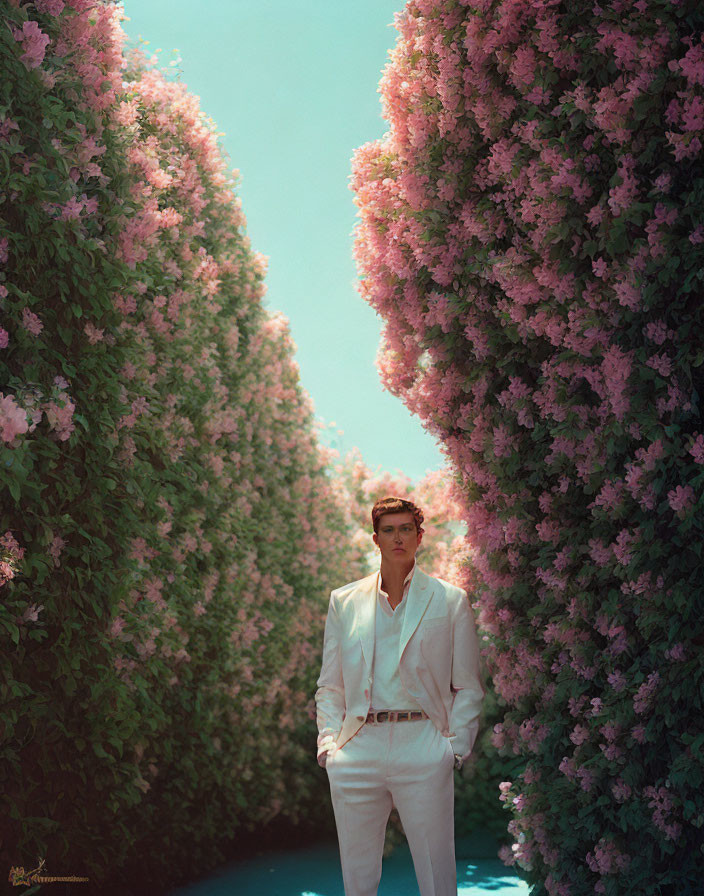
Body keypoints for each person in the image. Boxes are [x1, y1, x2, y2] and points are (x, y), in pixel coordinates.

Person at [314, 496, 485, 896]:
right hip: (358, 745)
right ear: (376, 538)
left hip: (423, 741)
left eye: (406, 528)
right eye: (388, 530)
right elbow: (331, 684)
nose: (397, 537)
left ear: (419, 536)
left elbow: (468, 685)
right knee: (357, 877)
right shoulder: (344, 601)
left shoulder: (450, 600)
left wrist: (454, 748)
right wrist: (329, 745)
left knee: (436, 874)